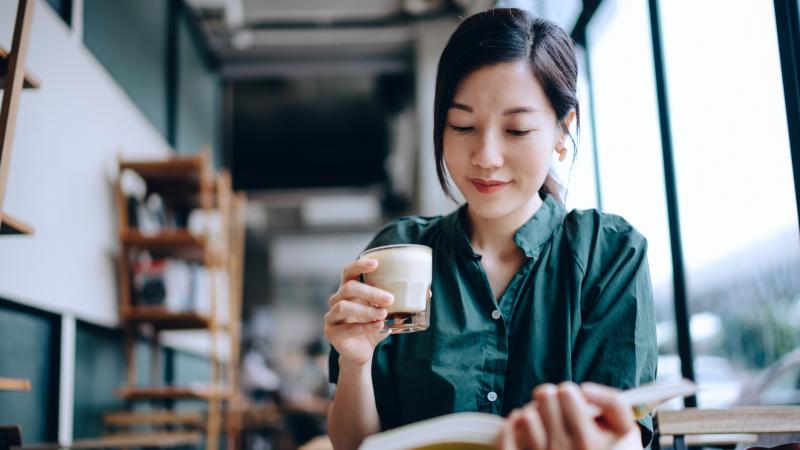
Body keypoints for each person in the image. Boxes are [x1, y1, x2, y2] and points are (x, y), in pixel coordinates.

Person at [323, 8, 657, 450]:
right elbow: (354, 445)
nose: (486, 156)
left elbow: (625, 434)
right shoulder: (400, 251)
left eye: (516, 130)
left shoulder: (609, 255)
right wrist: (355, 362)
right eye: (462, 125)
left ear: (563, 130)